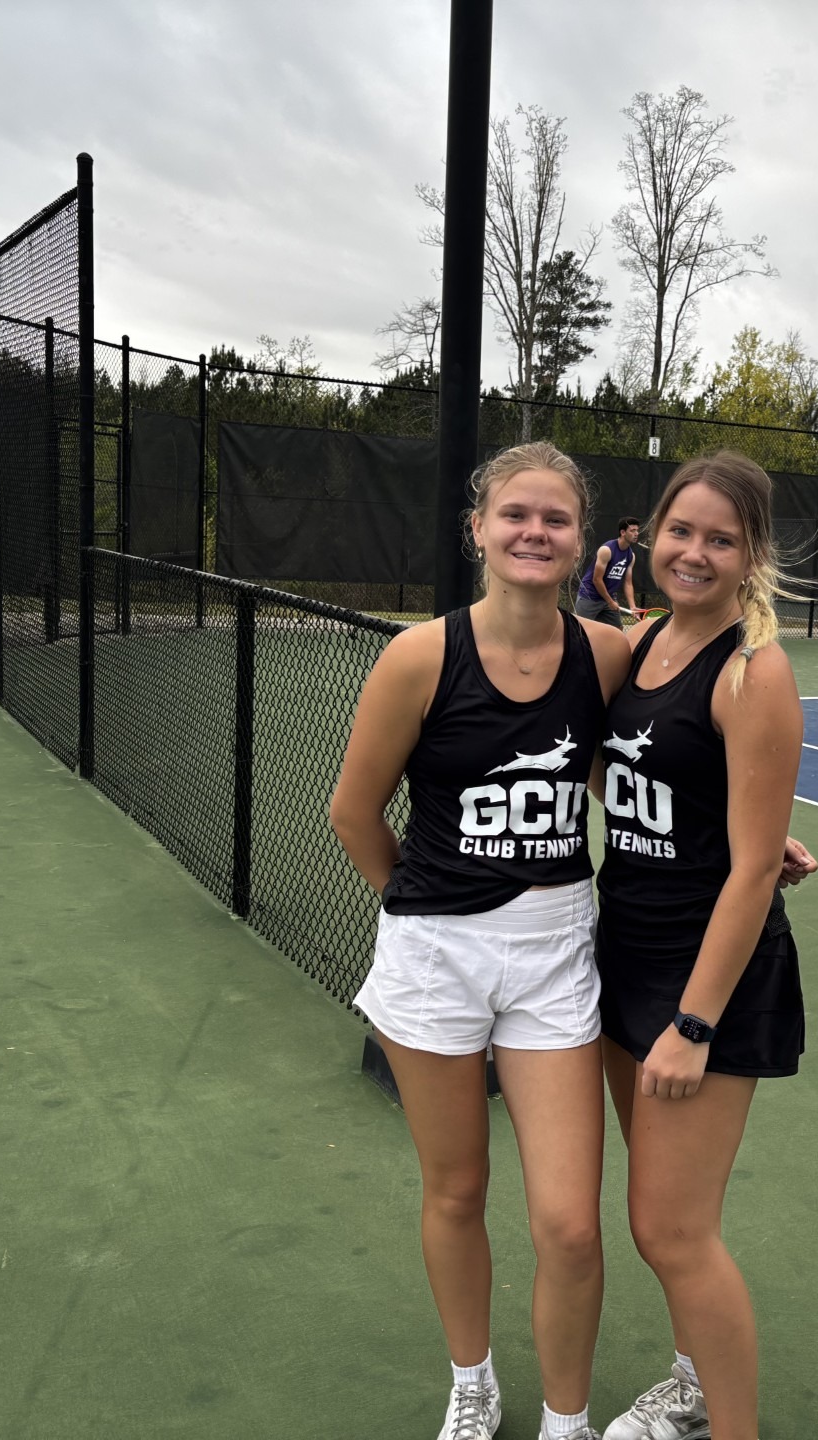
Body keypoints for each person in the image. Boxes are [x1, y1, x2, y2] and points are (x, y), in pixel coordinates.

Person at [329, 441, 632, 1440]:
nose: (534, 532)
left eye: (555, 518)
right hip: (435, 961)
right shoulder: (419, 657)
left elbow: (637, 774)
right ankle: (473, 1382)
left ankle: (566, 1422)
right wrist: (425, 908)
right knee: (457, 1190)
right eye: (515, 515)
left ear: (579, 539)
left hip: (556, 955)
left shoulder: (607, 655)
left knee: (571, 1224)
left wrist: (751, 839)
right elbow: (354, 813)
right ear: (479, 530)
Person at [593, 452, 806, 1440]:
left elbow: (753, 872)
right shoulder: (639, 642)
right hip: (625, 953)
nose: (695, 552)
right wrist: (720, 819)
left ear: (751, 555)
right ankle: (692, 1389)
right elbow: (623, 773)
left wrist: (693, 1024)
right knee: (657, 1221)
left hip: (705, 980)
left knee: (673, 1229)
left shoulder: (754, 670)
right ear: (653, 533)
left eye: (722, 539)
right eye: (682, 531)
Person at [574, 517, 641, 628]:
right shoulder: (606, 550)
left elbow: (628, 583)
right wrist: (610, 601)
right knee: (579, 630)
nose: (636, 533)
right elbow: (597, 579)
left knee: (617, 630)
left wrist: (632, 606)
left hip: (608, 597)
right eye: (632, 530)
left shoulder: (631, 556)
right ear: (623, 532)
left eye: (637, 530)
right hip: (589, 596)